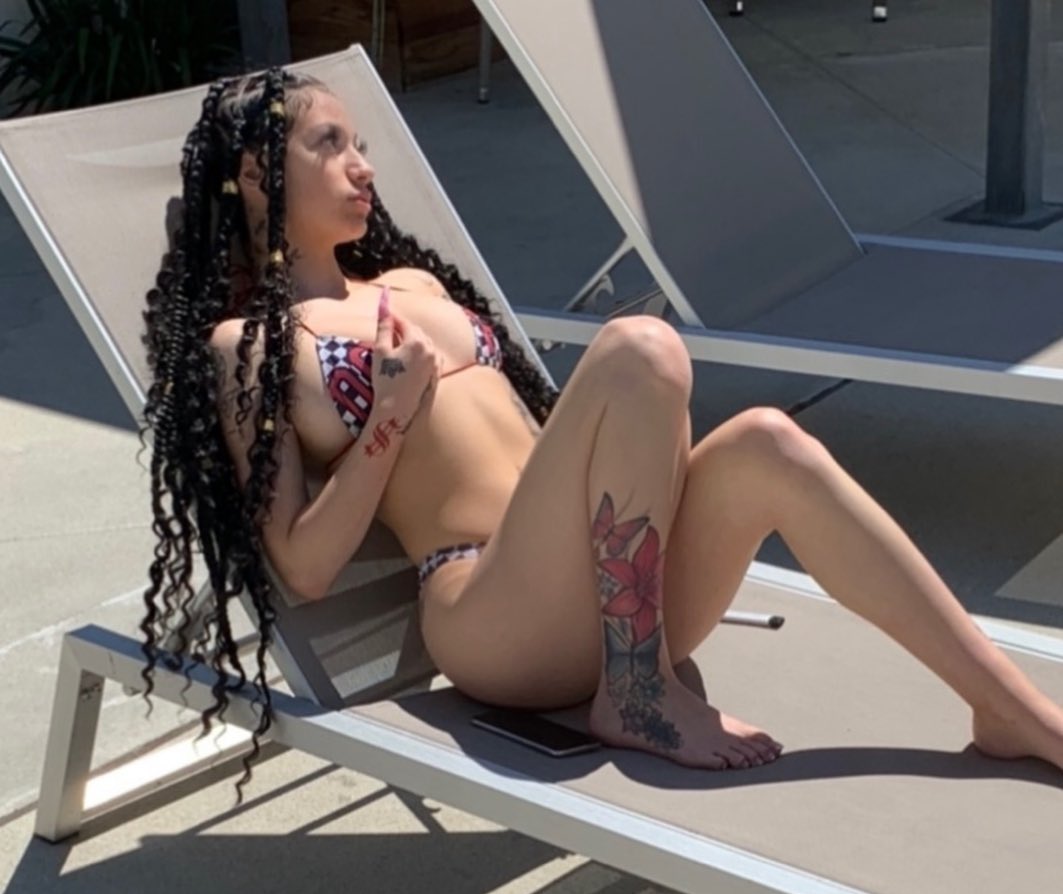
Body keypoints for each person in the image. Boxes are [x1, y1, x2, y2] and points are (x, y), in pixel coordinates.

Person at [142, 67, 1063, 794]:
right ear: (256, 173)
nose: (363, 167)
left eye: (361, 144)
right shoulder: (251, 346)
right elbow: (302, 565)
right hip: (494, 611)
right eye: (329, 144)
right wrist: (386, 416)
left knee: (767, 441)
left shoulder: (412, 286)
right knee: (638, 346)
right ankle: (634, 691)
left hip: (614, 589)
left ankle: (1009, 707)